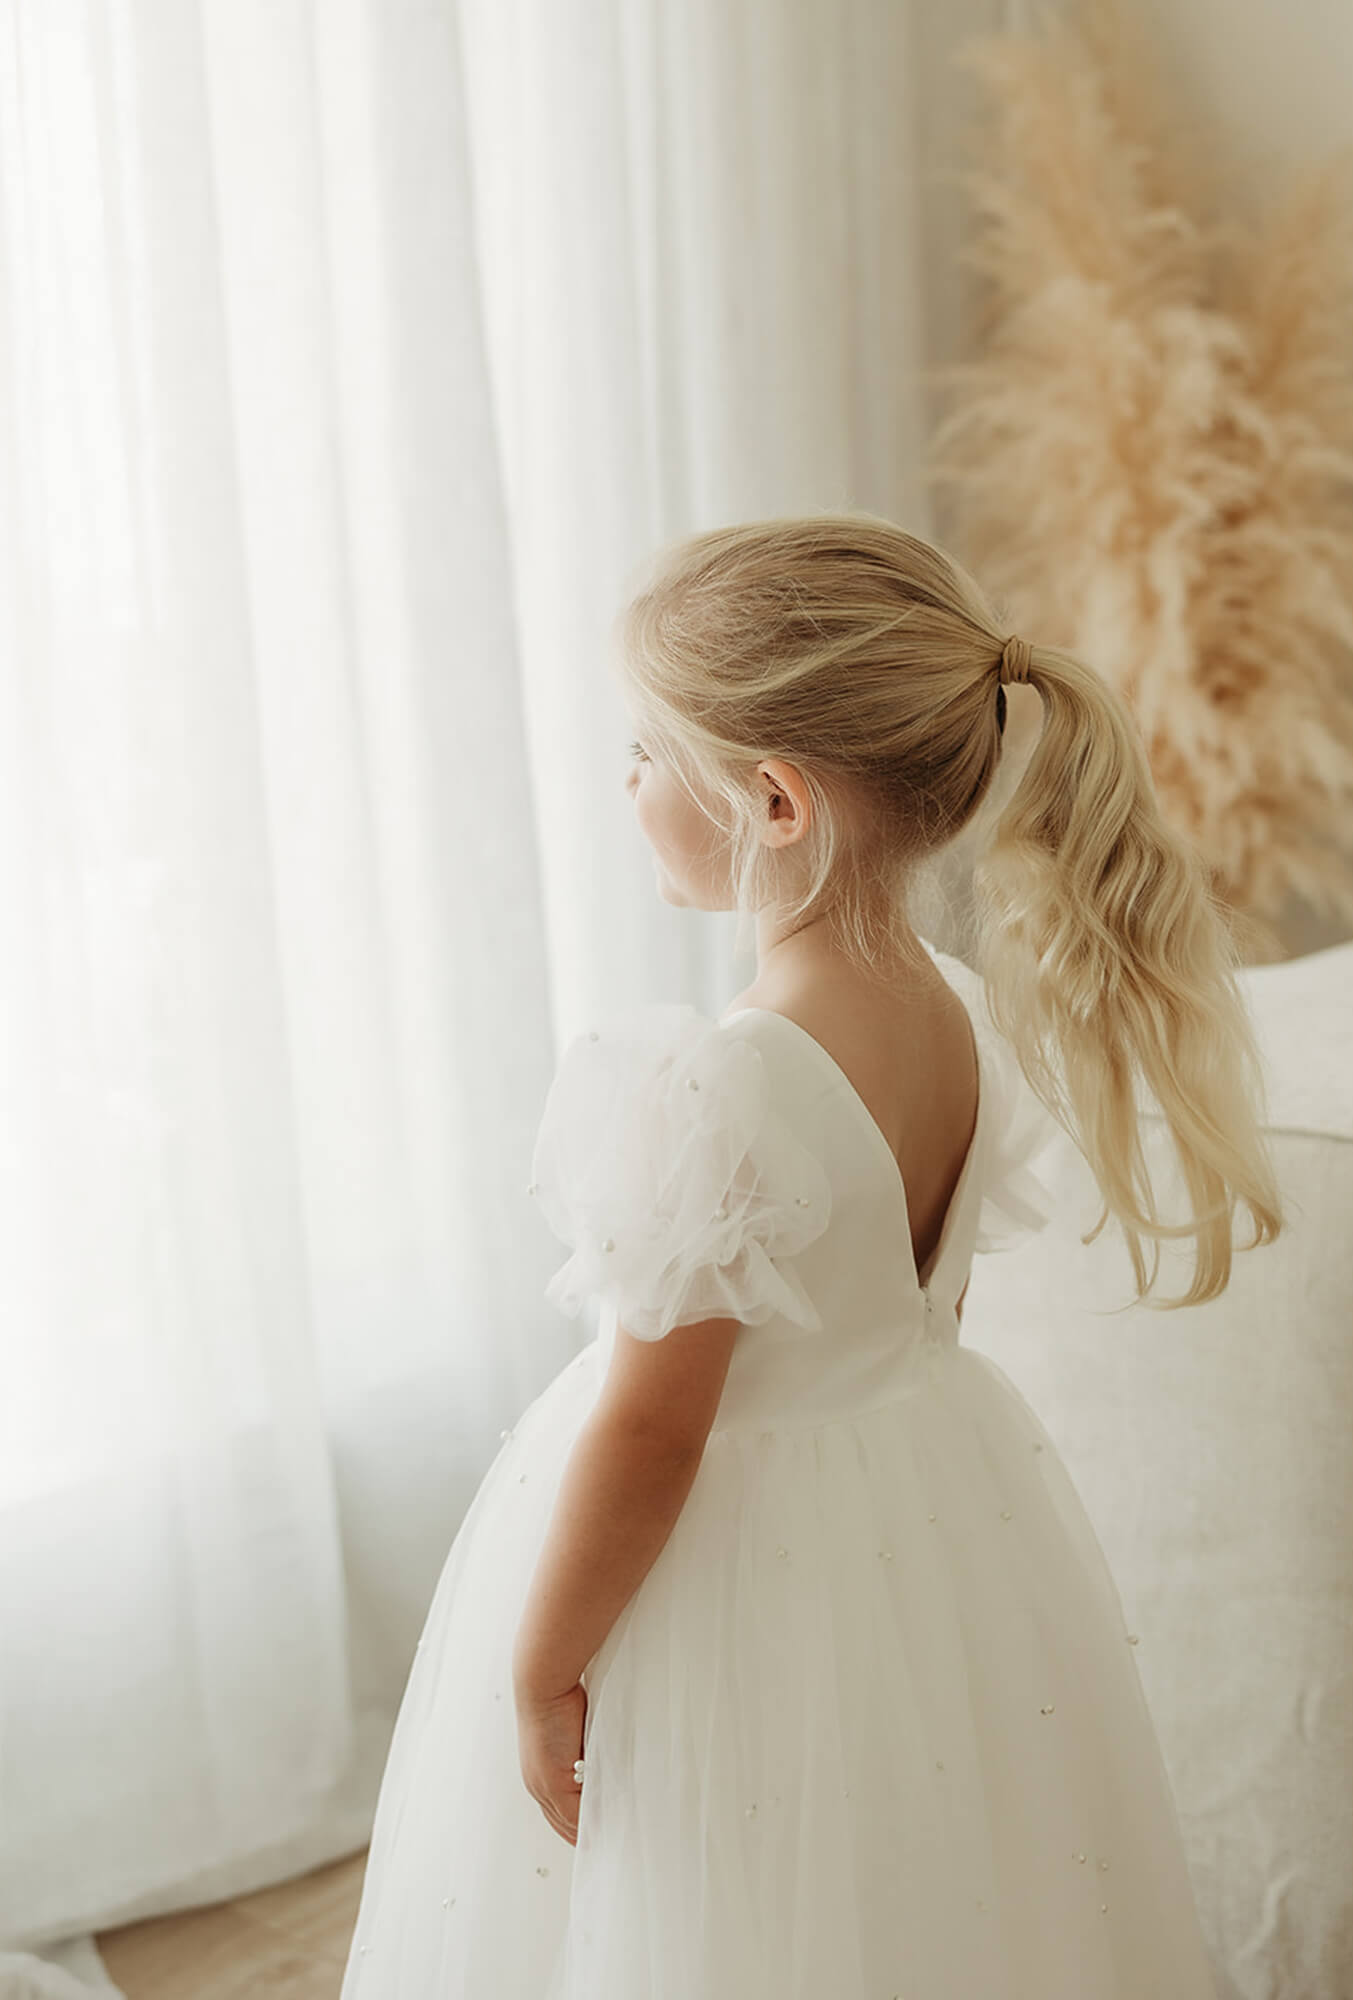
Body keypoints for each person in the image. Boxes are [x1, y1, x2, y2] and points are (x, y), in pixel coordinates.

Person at [340, 512, 1282, 1997]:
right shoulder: (954, 1008)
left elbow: (653, 1429)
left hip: (731, 1574)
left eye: (647, 754)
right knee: (907, 1885)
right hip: (927, 1525)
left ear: (773, 802)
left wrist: (539, 1670)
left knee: (728, 1906)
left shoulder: (725, 1084)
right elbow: (910, 1313)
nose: (628, 784)